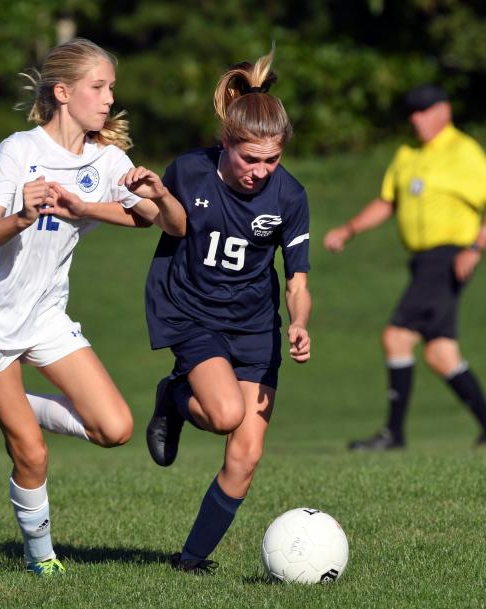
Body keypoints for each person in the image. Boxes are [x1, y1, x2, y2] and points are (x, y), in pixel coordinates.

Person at [0, 38, 186, 577]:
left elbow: (161, 222)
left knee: (115, 427)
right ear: (63, 92)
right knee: (32, 453)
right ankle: (40, 558)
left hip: (45, 312)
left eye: (111, 87)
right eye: (99, 87)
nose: (108, 98)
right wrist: (21, 217)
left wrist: (149, 194)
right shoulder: (19, 150)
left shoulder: (107, 158)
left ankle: (9, 403)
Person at [143, 50, 312, 574]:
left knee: (247, 455)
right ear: (226, 143)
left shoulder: (289, 196)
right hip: (192, 312)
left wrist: (301, 322)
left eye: (272, 160)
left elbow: (298, 279)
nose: (260, 171)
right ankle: (174, 393)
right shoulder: (190, 171)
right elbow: (157, 219)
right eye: (250, 159)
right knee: (222, 415)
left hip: (256, 328)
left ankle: (191, 561)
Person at [324, 84, 486, 451]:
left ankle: (394, 434)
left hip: (448, 257)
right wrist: (348, 229)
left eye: (425, 110)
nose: (417, 118)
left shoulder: (464, 152)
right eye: (412, 112)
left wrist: (475, 248)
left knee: (396, 336)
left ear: (444, 110)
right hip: (422, 262)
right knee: (441, 354)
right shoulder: (407, 153)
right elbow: (387, 201)